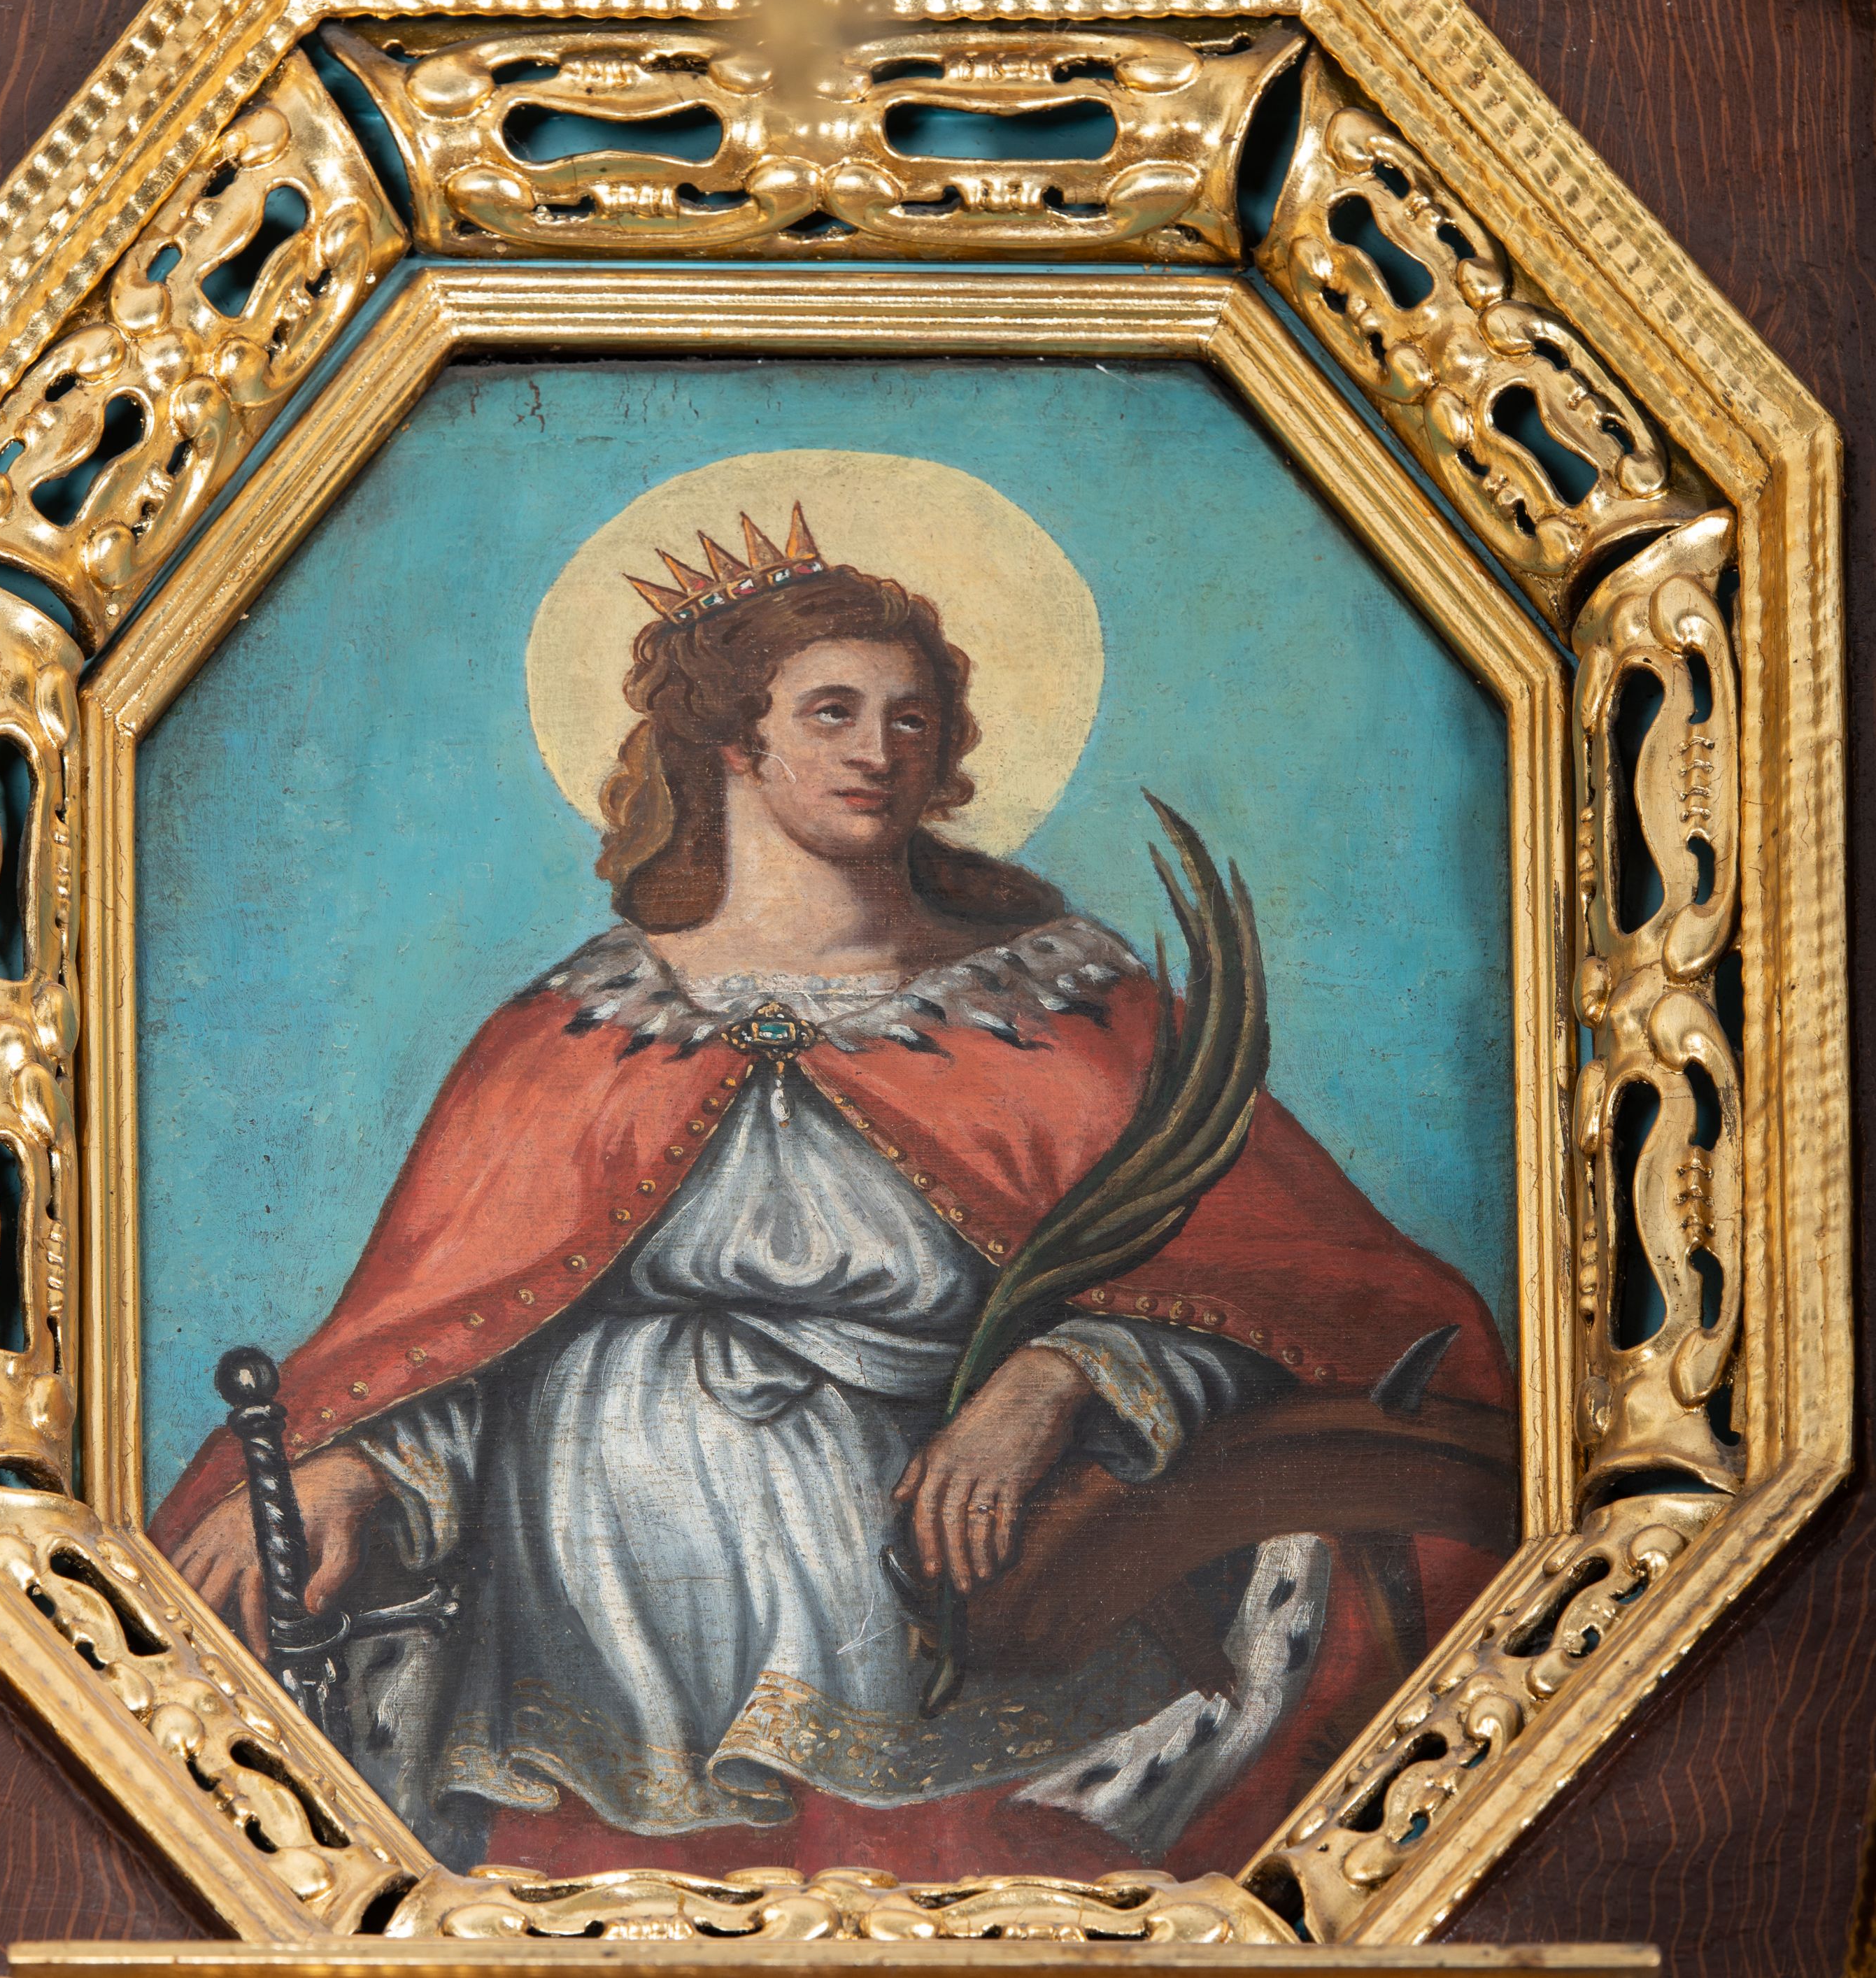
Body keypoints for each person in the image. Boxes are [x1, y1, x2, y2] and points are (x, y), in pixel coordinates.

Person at [152, 506, 1510, 1881]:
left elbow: (1279, 1295)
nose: (880, 749)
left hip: (949, 1622)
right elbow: (470, 1333)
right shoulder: (578, 1029)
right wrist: (360, 1461)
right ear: (735, 742)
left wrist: (1053, 1379)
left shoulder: (1064, 1009)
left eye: (913, 718)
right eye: (834, 712)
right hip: (595, 1636)